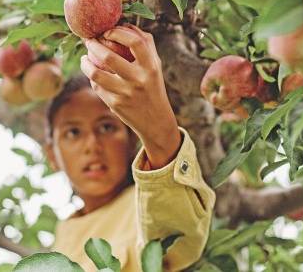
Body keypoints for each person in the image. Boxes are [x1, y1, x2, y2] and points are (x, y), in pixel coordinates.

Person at [44, 24, 215, 271]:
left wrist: (160, 133)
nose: (92, 145)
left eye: (106, 127)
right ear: (51, 154)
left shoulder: (145, 203)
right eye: (73, 133)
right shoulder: (63, 237)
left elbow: (175, 237)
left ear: (131, 139)